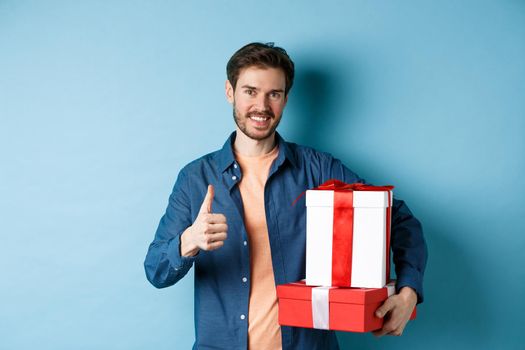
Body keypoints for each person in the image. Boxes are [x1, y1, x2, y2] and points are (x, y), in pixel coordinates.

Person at [144, 42, 428, 350]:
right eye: (250, 91)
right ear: (230, 92)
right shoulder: (195, 178)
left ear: (285, 99)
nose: (262, 106)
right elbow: (156, 271)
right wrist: (189, 241)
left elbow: (397, 218)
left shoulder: (319, 170)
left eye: (274, 94)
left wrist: (408, 290)